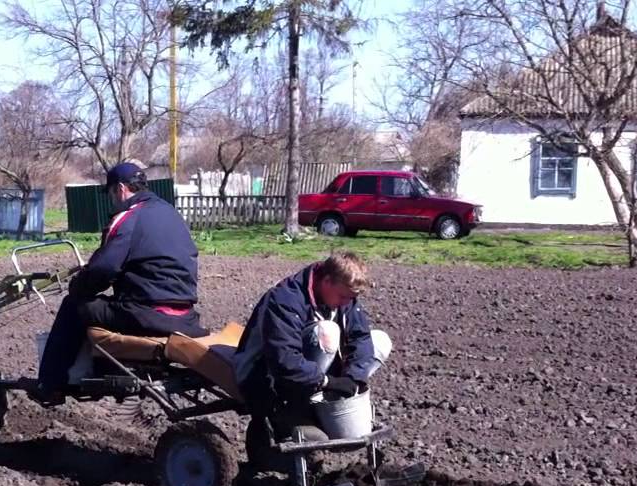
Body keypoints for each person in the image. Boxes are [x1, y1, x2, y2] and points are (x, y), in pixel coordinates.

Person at [35, 162, 206, 403]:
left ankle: (50, 384)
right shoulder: (170, 212)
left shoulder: (128, 217)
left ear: (121, 189)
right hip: (184, 314)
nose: (113, 201)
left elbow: (103, 268)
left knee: (74, 306)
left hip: (147, 314)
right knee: (106, 305)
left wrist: (78, 287)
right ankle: (104, 367)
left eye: (112, 194)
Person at [233, 252, 393, 442]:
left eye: (351, 299)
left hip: (312, 371)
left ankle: (327, 403)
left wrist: (353, 378)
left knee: (380, 341)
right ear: (326, 281)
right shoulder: (285, 299)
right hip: (264, 376)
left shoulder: (344, 298)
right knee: (328, 331)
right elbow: (284, 359)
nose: (346, 304)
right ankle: (294, 411)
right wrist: (328, 382)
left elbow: (361, 337)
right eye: (343, 297)